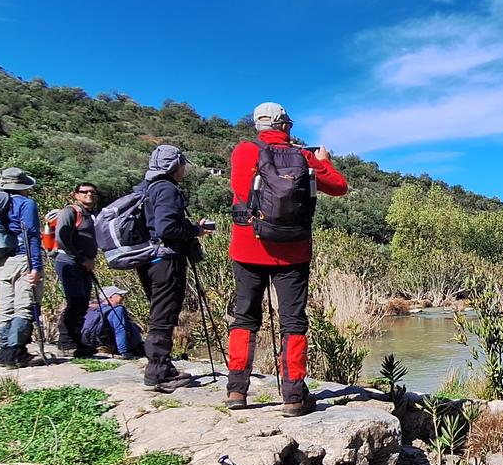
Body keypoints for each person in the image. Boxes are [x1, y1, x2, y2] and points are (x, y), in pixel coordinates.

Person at [225, 102, 348, 414]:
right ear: (286, 126)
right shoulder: (304, 156)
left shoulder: (243, 151)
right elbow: (339, 187)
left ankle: (236, 391)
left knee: (244, 318)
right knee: (293, 322)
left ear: (258, 126)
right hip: (292, 251)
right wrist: (324, 163)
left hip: (248, 247)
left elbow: (241, 190)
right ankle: (293, 395)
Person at [135, 144, 213, 392]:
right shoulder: (167, 189)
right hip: (166, 261)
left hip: (149, 259)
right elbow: (167, 228)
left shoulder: (147, 188)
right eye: (183, 164)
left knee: (159, 312)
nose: (184, 169)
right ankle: (158, 372)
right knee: (164, 315)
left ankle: (162, 366)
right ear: (174, 165)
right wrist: (196, 230)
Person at [0, 166, 43, 368]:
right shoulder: (26, 204)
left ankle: (4, 353)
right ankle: (16, 353)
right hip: (23, 259)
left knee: (6, 308)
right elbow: (31, 235)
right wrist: (35, 266)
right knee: (24, 307)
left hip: (0, 261)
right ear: (23, 185)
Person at [52, 182, 100, 357]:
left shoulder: (89, 214)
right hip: (69, 262)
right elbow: (61, 238)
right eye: (84, 192)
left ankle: (76, 341)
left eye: (92, 192)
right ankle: (66, 342)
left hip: (82, 264)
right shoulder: (70, 212)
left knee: (82, 302)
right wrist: (81, 258)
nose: (89, 195)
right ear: (76, 194)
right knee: (76, 301)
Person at [81, 285, 143, 358]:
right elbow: (120, 330)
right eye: (120, 295)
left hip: (98, 344)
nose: (123, 297)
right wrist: (124, 352)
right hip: (116, 347)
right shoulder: (117, 309)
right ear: (110, 298)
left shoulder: (95, 308)